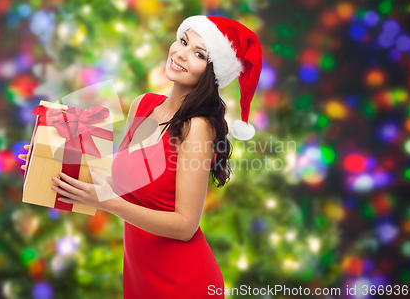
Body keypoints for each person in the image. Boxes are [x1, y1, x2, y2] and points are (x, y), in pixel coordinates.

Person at [19, 15, 262, 298]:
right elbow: (117, 181)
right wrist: (48, 161)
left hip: (183, 281)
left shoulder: (198, 127)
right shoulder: (144, 105)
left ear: (212, 72)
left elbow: (185, 226)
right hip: (140, 274)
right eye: (182, 41)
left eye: (198, 54)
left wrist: (107, 203)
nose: (181, 53)